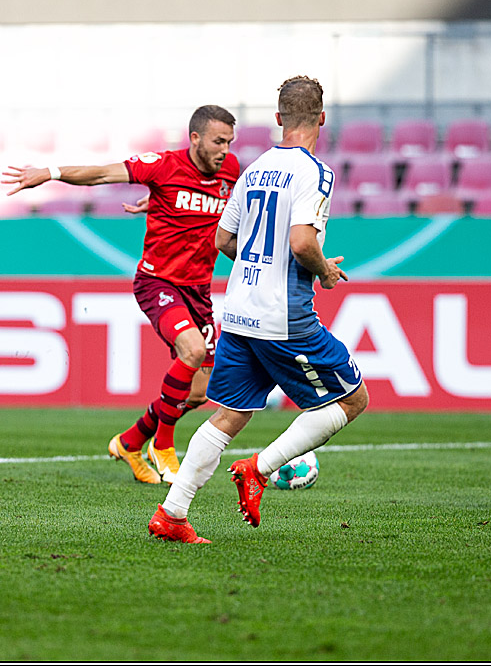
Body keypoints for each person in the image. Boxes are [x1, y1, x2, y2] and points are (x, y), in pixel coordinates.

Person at [146, 76, 369, 544]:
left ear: (277, 119)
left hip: (240, 308)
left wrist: (256, 265)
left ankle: (172, 514)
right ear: (322, 119)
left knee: (229, 414)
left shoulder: (252, 169)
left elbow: (223, 239)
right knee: (352, 399)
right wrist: (325, 271)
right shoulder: (315, 172)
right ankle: (259, 469)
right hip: (284, 314)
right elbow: (302, 241)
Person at [2, 107, 240, 485]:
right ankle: (163, 446)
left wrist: (162, 203)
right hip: (158, 282)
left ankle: (130, 442)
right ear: (195, 138)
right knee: (192, 351)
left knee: (198, 394)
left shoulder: (231, 172)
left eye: (229, 142)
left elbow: (223, 215)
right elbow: (101, 174)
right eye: (217, 141)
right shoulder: (161, 165)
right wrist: (49, 173)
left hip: (198, 290)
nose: (224, 149)